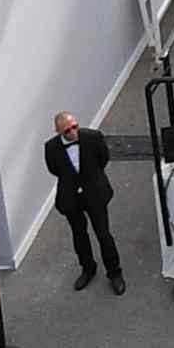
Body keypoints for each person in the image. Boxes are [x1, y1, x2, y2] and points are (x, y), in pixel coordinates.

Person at [42, 111, 124, 293]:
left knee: (103, 234)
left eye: (74, 127)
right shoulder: (51, 147)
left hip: (94, 193)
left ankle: (115, 273)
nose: (72, 132)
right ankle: (88, 268)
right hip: (71, 197)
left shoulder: (93, 137)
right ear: (58, 132)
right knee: (79, 234)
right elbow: (54, 169)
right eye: (66, 131)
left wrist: (89, 179)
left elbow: (103, 158)